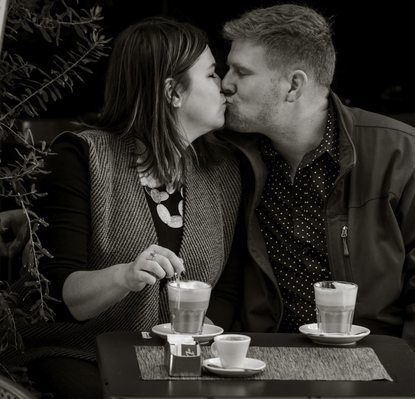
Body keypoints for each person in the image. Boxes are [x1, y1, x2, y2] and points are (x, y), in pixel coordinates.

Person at [216, 4, 415, 399]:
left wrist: (394, 380)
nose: (225, 84)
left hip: (410, 351)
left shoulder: (407, 155)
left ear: (294, 86)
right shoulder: (232, 161)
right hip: (278, 355)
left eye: (241, 72)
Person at [6, 17, 241, 398]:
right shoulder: (83, 158)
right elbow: (59, 297)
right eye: (213, 75)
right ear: (173, 93)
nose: (225, 86)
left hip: (181, 362)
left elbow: (227, 289)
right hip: (81, 355)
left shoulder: (223, 173)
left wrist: (202, 339)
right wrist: (124, 276)